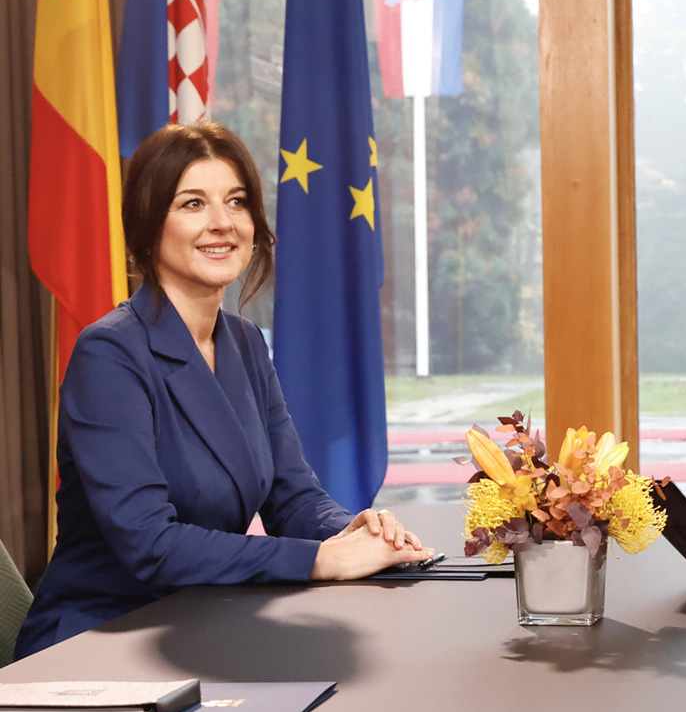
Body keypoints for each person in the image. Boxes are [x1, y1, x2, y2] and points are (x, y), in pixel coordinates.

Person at [15, 122, 433, 659]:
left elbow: (292, 496)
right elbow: (151, 545)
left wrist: (354, 531)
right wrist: (318, 561)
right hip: (102, 636)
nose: (222, 223)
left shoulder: (244, 342)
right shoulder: (110, 353)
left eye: (236, 202)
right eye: (192, 204)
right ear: (147, 226)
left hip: (204, 619)